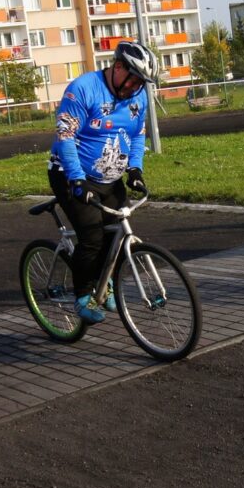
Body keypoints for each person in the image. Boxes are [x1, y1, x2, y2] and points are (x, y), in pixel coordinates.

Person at [48, 40, 159, 323]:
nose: (137, 88)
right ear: (118, 67)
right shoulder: (83, 89)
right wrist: (76, 180)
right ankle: (84, 294)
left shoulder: (138, 96)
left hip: (109, 179)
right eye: (134, 80)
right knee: (93, 237)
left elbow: (136, 134)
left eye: (142, 83)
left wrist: (135, 168)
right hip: (70, 175)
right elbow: (65, 137)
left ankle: (104, 283)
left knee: (117, 237)